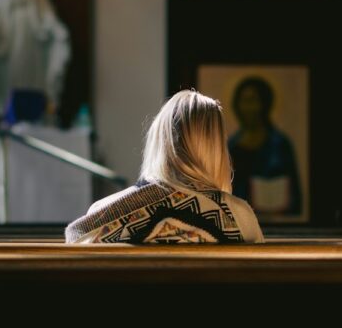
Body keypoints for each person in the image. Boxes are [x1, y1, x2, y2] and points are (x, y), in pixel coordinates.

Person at [65, 90, 265, 243]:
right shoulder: (239, 217)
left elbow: (76, 243)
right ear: (217, 150)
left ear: (159, 140)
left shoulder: (102, 214)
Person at [228, 77, 302, 216]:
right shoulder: (232, 146)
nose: (247, 108)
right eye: (243, 101)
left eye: (253, 101)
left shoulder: (279, 145)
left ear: (265, 104)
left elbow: (294, 195)